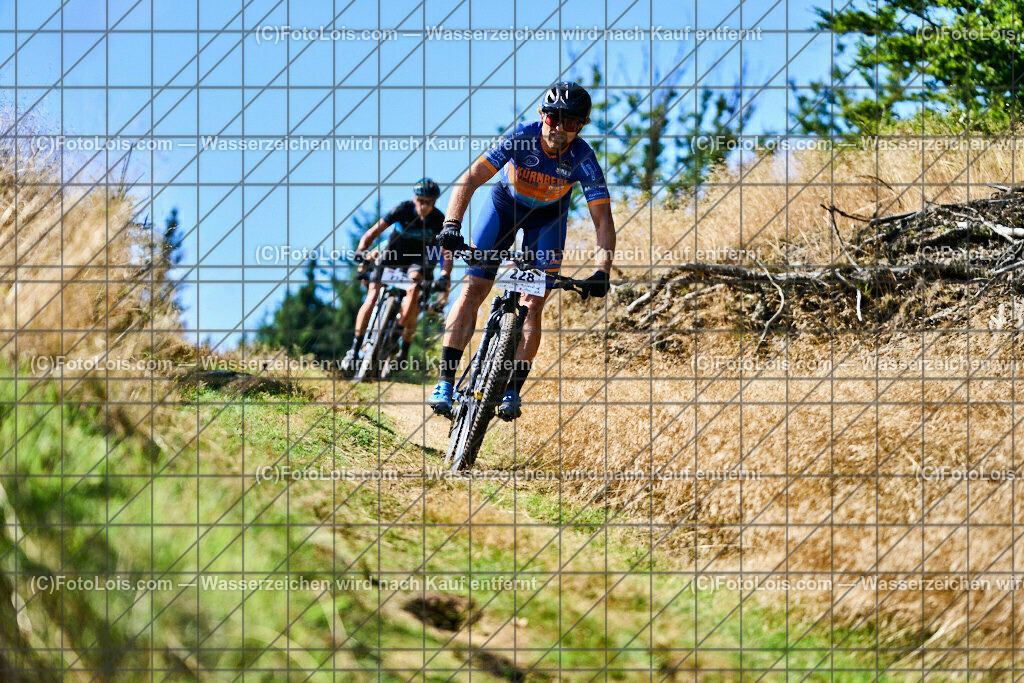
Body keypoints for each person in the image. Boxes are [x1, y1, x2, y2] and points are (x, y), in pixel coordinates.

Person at [428, 82, 615, 420]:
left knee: (534, 303)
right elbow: (470, 178)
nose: (559, 127)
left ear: (581, 127)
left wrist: (603, 271)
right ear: (541, 115)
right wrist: (451, 226)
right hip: (504, 207)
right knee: (474, 288)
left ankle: (512, 389)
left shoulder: (584, 158)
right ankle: (445, 381)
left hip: (547, 219)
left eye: (570, 122)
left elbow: (602, 220)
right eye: (553, 117)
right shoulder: (521, 137)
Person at [342, 178, 451, 372]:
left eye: (429, 202)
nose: (424, 206)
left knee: (415, 286)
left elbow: (444, 253)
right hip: (393, 255)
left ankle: (397, 336)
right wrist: (362, 249)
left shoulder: (438, 220)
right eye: (421, 201)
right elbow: (374, 232)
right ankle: (354, 349)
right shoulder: (402, 210)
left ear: (435, 203)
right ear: (414, 198)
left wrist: (444, 275)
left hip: (420, 260)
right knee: (372, 295)